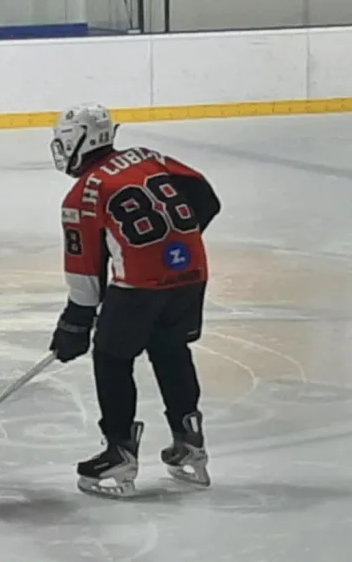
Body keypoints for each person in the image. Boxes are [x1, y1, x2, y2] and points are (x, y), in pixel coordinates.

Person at [47, 104, 221, 498]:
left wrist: (75, 324)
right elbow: (206, 197)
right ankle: (190, 442)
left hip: (140, 285)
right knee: (170, 347)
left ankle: (119, 451)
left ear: (79, 141)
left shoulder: (83, 194)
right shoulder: (148, 156)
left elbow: (85, 274)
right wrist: (172, 244)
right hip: (191, 272)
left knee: (111, 356)